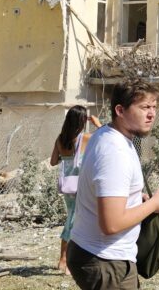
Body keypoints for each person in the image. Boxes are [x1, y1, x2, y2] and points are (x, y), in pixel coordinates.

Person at [67, 81, 159, 290]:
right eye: (144, 107)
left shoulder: (107, 134)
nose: (152, 114)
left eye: (154, 107)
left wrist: (136, 199)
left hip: (97, 254)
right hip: (105, 260)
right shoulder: (114, 152)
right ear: (120, 110)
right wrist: (154, 204)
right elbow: (112, 224)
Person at [50, 106, 101, 273]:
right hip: (82, 186)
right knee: (73, 221)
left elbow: (53, 161)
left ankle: (69, 259)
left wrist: (67, 159)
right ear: (82, 121)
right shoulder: (85, 138)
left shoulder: (60, 139)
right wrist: (97, 124)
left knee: (73, 218)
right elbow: (106, 135)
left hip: (68, 187)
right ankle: (63, 260)